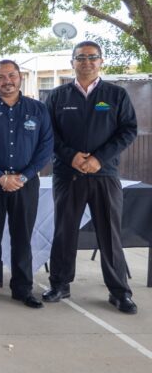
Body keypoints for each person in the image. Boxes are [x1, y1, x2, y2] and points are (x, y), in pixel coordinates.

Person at [44, 41, 138, 314]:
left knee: (109, 234)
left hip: (104, 174)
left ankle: (120, 292)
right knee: (64, 232)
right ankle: (60, 284)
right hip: (67, 175)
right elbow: (48, 134)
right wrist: (71, 157)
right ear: (72, 62)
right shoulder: (58, 96)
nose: (86, 62)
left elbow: (128, 130)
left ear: (101, 62)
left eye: (92, 57)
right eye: (81, 58)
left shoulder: (116, 95)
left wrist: (99, 158)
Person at [0, 60, 53, 309]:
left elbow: (45, 147)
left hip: (26, 185)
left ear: (20, 78)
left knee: (22, 238)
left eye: (12, 75)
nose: (7, 81)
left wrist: (24, 177)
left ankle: (23, 289)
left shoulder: (38, 110)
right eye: (1, 76)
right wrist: (0, 176)